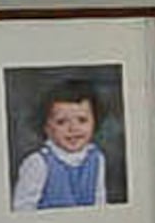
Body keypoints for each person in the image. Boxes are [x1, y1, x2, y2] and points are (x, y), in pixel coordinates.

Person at [12, 79, 116, 211]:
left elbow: (100, 202)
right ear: (46, 127)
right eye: (61, 122)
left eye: (82, 120)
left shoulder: (97, 158)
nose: (73, 128)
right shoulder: (38, 163)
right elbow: (22, 209)